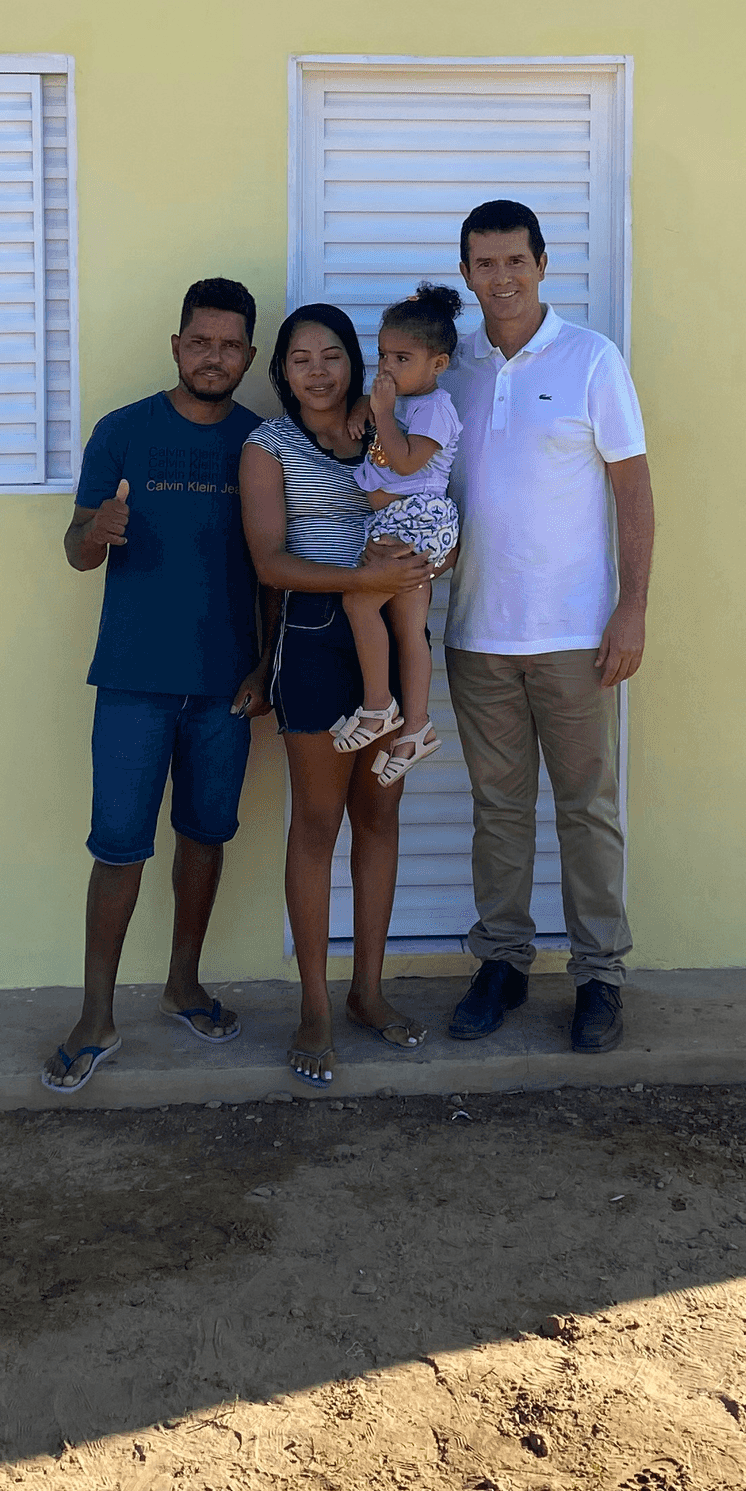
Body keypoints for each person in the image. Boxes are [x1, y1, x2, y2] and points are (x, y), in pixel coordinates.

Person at [40, 278, 269, 1094]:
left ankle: (183, 983)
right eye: (200, 342)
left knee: (207, 836)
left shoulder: (262, 442)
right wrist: (95, 532)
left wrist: (264, 665)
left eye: (231, 344)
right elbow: (75, 546)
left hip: (226, 688)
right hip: (133, 681)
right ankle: (96, 1015)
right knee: (118, 848)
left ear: (249, 352)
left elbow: (273, 571)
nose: (215, 356)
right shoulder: (123, 432)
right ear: (177, 346)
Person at [442, 201, 654, 1057]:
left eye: (514, 261)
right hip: (477, 633)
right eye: (484, 263)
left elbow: (633, 491)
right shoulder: (450, 365)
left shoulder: (591, 359)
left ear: (541, 264)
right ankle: (503, 962)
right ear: (465, 272)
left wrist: (631, 606)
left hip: (572, 634)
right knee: (497, 810)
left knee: (585, 809)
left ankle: (599, 974)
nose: (501, 278)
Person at [240, 304, 434, 1088]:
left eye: (330, 355)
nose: (317, 370)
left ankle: (368, 992)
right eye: (299, 359)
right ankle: (314, 1005)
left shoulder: (390, 429)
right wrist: (364, 579)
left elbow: (431, 501)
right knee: (318, 823)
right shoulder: (267, 447)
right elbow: (270, 563)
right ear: (281, 372)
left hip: (393, 635)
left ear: (354, 362)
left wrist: (422, 569)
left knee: (380, 815)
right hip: (319, 639)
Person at [338, 283, 464, 783]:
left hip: (415, 518)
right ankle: (416, 728)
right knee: (409, 628)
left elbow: (409, 463)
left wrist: (383, 413)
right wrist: (362, 411)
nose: (387, 367)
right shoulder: (399, 398)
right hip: (401, 516)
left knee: (359, 602)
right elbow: (374, 417)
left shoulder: (433, 408)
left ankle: (378, 706)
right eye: (383, 354)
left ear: (438, 364)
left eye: (403, 357)